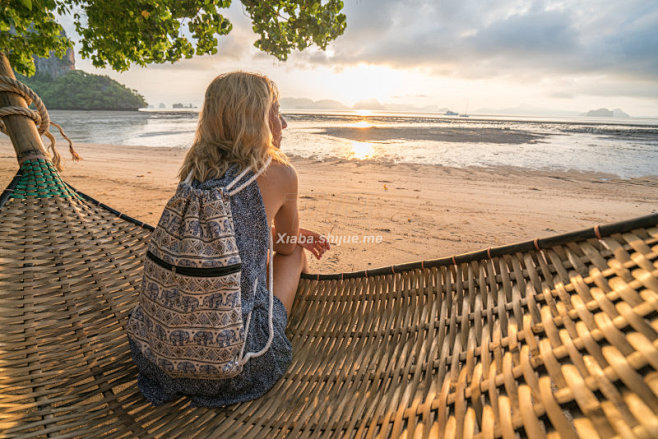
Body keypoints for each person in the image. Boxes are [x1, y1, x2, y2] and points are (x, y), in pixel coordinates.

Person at [128, 71, 330, 407]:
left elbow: (222, 237)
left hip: (158, 356)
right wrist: (288, 235)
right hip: (234, 365)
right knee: (296, 257)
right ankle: (300, 318)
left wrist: (270, 231)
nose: (284, 124)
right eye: (276, 112)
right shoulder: (279, 174)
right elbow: (285, 247)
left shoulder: (193, 170)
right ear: (256, 121)